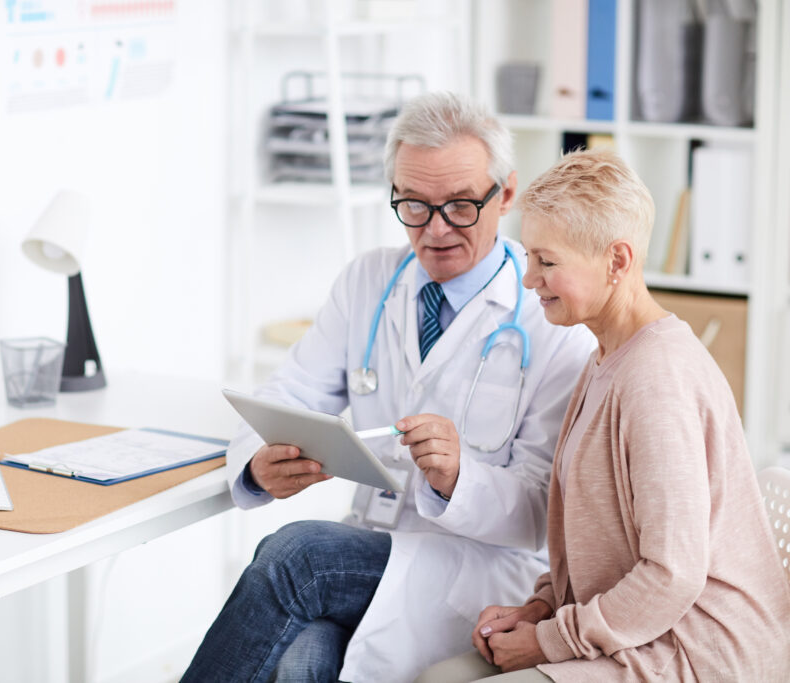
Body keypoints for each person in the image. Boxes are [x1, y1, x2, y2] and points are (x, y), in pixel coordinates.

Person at [180, 91, 595, 683]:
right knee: (305, 658)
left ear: (504, 195)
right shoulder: (370, 280)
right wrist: (256, 463)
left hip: (479, 568)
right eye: (414, 206)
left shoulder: (549, 318)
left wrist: (459, 479)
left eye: (459, 206)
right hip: (371, 548)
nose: (435, 230)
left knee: (297, 557)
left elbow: (541, 512)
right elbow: (288, 393)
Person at [417, 148, 790, 682]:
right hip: (637, 629)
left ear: (617, 262)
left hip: (695, 650)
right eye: (529, 257)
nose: (529, 280)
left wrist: (549, 641)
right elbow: (604, 545)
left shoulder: (656, 379)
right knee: (439, 678)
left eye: (547, 262)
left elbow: (672, 574)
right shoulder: (604, 358)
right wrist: (541, 607)